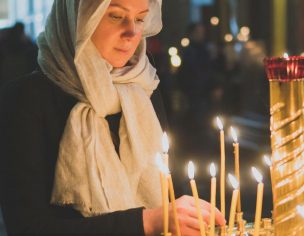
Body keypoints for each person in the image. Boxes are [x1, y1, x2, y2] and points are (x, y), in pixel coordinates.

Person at [0, 0, 224, 235]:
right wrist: (146, 222)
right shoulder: (25, 99)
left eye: (140, 19)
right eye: (116, 16)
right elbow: (27, 227)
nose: (132, 32)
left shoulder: (144, 88)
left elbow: (169, 187)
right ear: (77, 20)